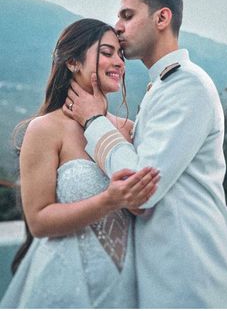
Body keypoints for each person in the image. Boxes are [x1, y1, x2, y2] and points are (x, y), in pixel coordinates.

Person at [63, 0, 227, 308]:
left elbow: (141, 191)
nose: (118, 24)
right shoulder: (164, 86)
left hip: (189, 283)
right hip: (164, 281)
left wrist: (95, 122)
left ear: (161, 18)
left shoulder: (187, 87)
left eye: (127, 15)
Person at [0, 18, 160, 309]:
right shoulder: (45, 129)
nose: (119, 63)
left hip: (126, 289)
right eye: (107, 52)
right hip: (65, 287)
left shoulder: (128, 129)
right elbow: (38, 221)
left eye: (121, 55)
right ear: (73, 61)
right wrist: (108, 201)